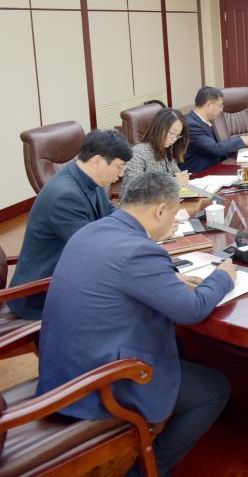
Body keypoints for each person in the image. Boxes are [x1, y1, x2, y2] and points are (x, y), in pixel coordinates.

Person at [36, 172, 236, 477]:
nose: (173, 223)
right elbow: (191, 310)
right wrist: (222, 277)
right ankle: (145, 471)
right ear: (160, 210)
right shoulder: (139, 251)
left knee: (179, 347)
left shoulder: (92, 230)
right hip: (98, 384)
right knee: (214, 389)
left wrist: (167, 280)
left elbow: (116, 279)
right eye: (174, 215)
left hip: (63, 369)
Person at [8, 129, 132, 319]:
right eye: (119, 166)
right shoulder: (64, 196)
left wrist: (141, 223)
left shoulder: (90, 179)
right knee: (130, 303)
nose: (121, 173)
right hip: (41, 293)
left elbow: (110, 213)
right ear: (97, 161)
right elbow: (92, 247)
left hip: (70, 272)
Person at [183, 86, 248, 173]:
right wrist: (243, 140)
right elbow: (214, 149)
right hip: (199, 174)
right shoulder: (192, 125)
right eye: (220, 106)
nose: (221, 110)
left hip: (214, 170)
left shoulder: (202, 121)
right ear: (209, 105)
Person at [122, 107, 191, 193]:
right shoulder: (138, 153)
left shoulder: (166, 150)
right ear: (159, 129)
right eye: (172, 133)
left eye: (177, 135)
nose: (174, 139)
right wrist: (173, 182)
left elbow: (175, 173)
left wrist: (182, 177)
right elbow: (132, 189)